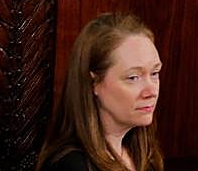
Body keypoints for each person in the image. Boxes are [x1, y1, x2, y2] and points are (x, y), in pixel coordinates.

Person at [36, 13, 163, 171]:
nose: (151, 91)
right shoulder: (70, 166)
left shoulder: (144, 154)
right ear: (93, 83)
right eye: (133, 77)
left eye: (154, 73)